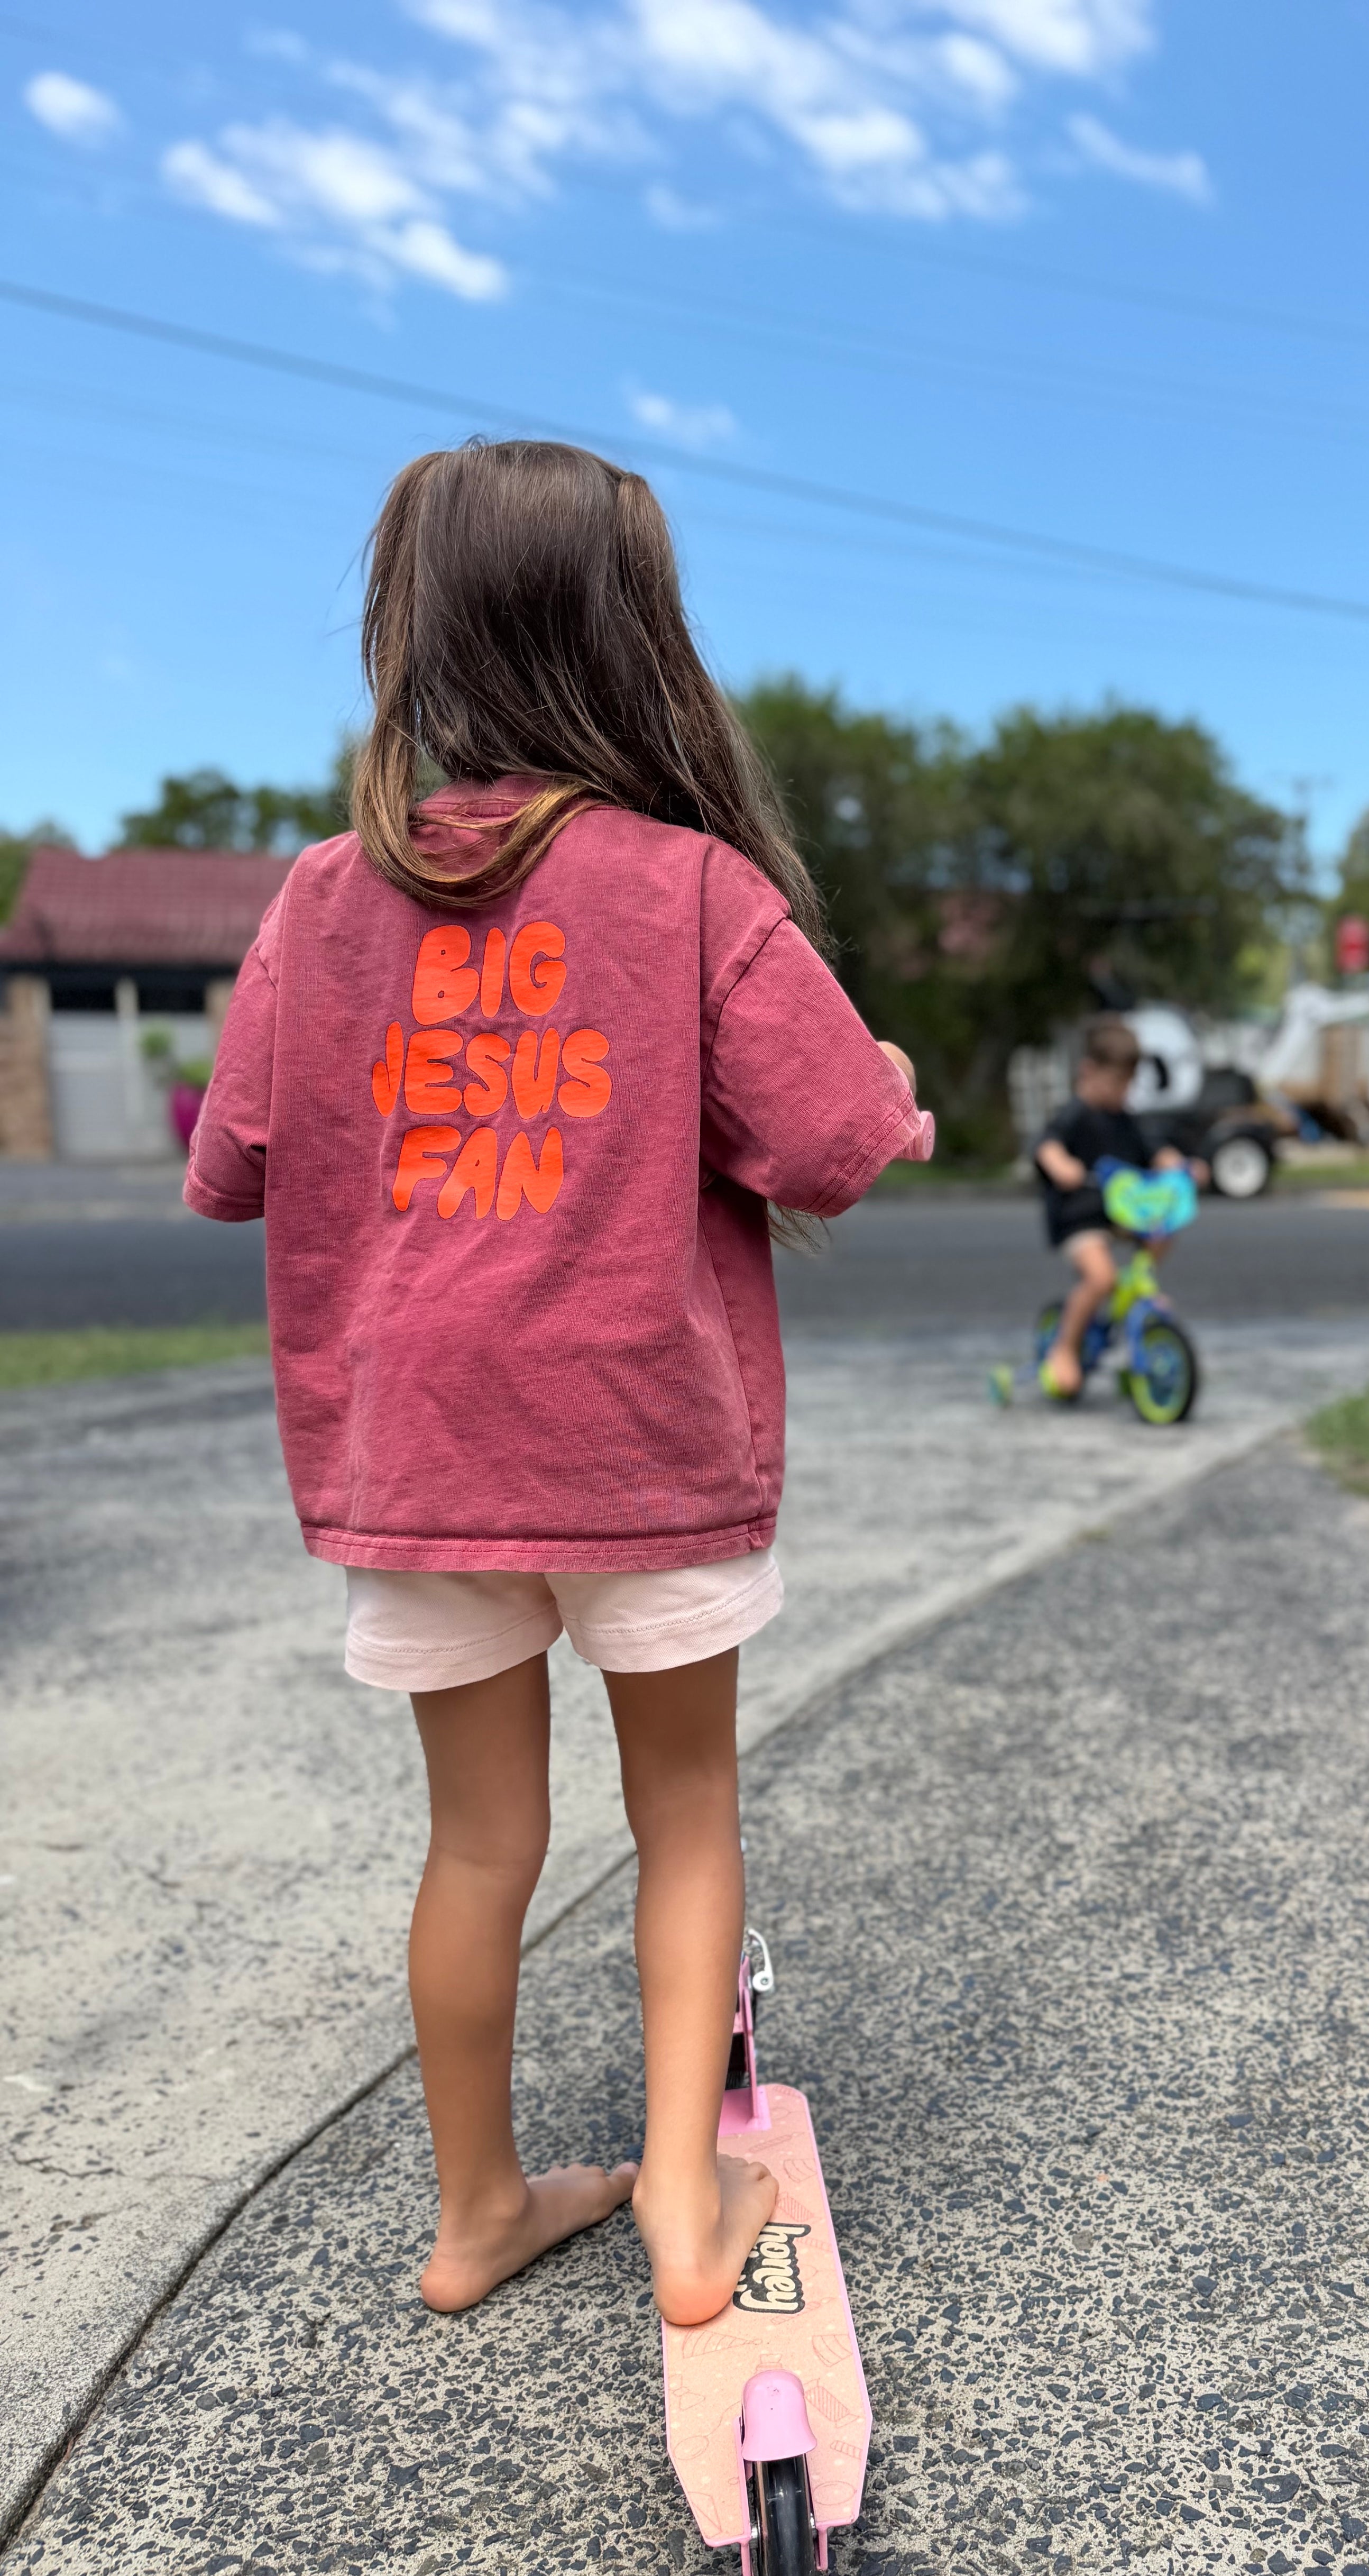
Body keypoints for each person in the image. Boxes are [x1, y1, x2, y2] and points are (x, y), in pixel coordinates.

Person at [184, 440, 932, 2326]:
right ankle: (688, 2206)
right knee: (684, 1816)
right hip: (643, 1449)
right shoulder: (688, 891)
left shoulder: (315, 904)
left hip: (417, 1461)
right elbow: (836, 1137)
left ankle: (476, 2209)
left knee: (474, 1843)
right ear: (640, 640)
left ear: (414, 630)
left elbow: (231, 1167)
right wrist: (899, 1094)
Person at [1032, 1016, 1196, 1397]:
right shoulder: (1075, 1114)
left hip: (1119, 1213)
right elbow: (1047, 1143)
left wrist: (1176, 1164)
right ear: (1089, 1073)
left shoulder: (1126, 1120)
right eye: (1118, 1083)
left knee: (1163, 1227)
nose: (1125, 1092)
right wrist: (1061, 1165)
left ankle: (1143, 1283)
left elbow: (1154, 1151)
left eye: (1129, 1083)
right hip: (1079, 1217)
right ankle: (1064, 1349)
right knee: (1101, 1278)